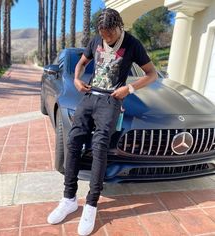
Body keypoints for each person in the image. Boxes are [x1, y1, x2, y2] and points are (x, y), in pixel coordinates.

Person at [47, 8, 158, 236]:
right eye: (104, 34)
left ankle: (91, 204)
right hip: (89, 96)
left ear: (119, 26)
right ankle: (69, 199)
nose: (107, 38)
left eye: (111, 34)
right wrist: (77, 79)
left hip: (111, 100)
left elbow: (152, 74)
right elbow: (81, 63)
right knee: (74, 142)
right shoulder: (96, 39)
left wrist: (129, 88)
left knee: (99, 148)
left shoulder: (133, 44)